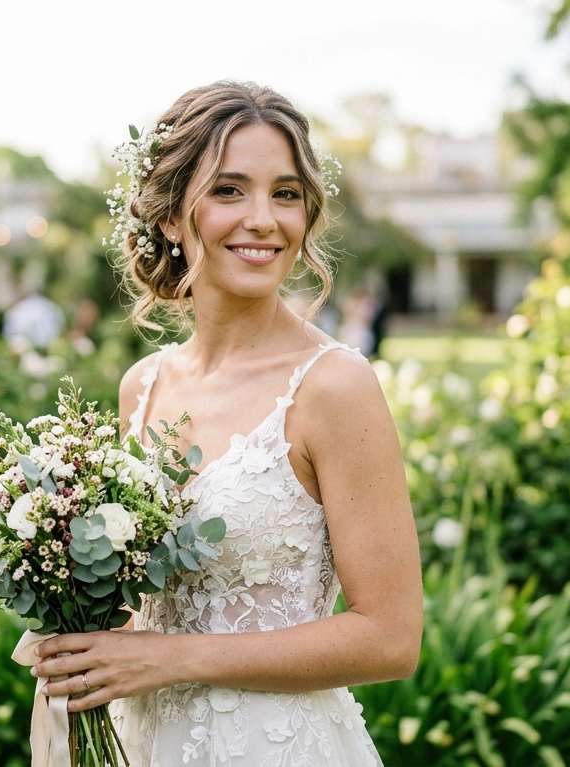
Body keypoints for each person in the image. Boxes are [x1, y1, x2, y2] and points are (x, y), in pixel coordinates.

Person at [29, 82, 422, 766]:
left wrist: (171, 659)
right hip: (146, 739)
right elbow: (144, 600)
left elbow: (390, 638)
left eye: (286, 194)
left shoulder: (333, 387)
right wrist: (67, 606)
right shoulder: (143, 387)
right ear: (171, 218)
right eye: (229, 190)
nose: (264, 220)